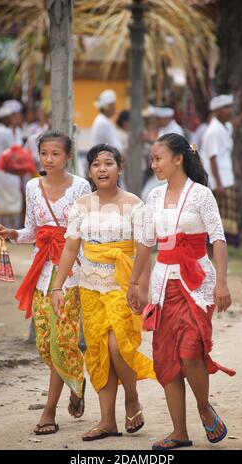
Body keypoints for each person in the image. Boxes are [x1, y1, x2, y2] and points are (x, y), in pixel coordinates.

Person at [127, 133, 236, 450]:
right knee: (166, 358)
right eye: (152, 159)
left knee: (191, 353)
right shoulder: (154, 197)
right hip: (164, 287)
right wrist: (136, 284)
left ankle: (204, 407)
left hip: (197, 284)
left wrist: (222, 282)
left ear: (178, 159)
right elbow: (146, 244)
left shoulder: (202, 195)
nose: (154, 164)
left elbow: (218, 239)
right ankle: (179, 432)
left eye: (158, 158)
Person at [51, 143, 155, 442]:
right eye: (96, 164)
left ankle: (132, 397)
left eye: (108, 163)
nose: (102, 169)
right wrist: (58, 286)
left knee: (118, 347)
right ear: (90, 171)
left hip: (125, 286)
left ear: (119, 168)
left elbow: (144, 249)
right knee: (98, 352)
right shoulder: (81, 205)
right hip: (90, 288)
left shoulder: (135, 203)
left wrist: (141, 287)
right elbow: (71, 247)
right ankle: (107, 420)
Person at [0, 130, 91, 435]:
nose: (49, 159)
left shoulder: (82, 187)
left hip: (72, 273)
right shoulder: (32, 186)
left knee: (62, 340)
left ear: (68, 156)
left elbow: (85, 232)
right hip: (41, 273)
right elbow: (32, 231)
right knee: (45, 345)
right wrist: (12, 234)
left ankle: (49, 412)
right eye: (44, 153)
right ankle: (76, 380)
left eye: (55, 154)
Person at [200, 94, 242, 246]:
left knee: (226, 217)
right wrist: (218, 183)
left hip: (226, 179)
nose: (229, 111)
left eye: (230, 107)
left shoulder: (223, 127)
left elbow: (232, 124)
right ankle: (215, 248)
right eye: (225, 108)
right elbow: (212, 158)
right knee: (219, 219)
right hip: (220, 181)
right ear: (216, 111)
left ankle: (222, 247)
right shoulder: (213, 131)